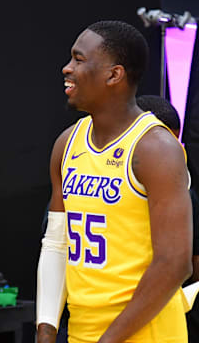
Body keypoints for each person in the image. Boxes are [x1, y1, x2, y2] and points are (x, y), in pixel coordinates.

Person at [36, 21, 193, 343]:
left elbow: (175, 263)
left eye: (79, 60)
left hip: (145, 332)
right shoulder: (66, 143)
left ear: (113, 75)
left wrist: (108, 340)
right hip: (83, 329)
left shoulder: (155, 148)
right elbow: (56, 243)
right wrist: (46, 328)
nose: (67, 68)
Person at [136, 94, 199, 343]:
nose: (170, 155)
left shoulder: (187, 196)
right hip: (92, 315)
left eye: (175, 144)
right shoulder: (90, 184)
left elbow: (189, 268)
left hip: (162, 323)